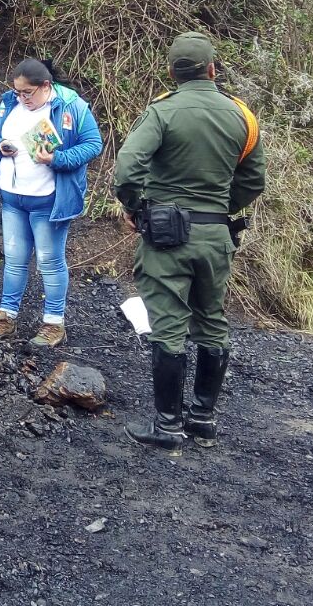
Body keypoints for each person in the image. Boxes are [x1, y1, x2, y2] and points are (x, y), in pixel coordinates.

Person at [114, 32, 267, 452]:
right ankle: (203, 418)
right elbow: (254, 180)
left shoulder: (163, 111)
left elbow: (127, 167)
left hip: (167, 236)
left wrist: (135, 206)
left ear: (171, 73)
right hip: (217, 236)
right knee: (212, 317)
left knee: (168, 321)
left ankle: (167, 425)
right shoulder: (242, 117)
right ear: (212, 69)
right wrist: (218, 210)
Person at [0, 59, 103, 346]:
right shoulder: (9, 103)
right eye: (18, 92)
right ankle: (6, 318)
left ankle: (53, 324)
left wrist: (57, 159)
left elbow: (93, 144)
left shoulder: (72, 106)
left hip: (49, 201)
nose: (22, 98)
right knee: (14, 259)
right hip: (12, 198)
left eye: (27, 93)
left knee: (49, 261)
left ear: (45, 86)